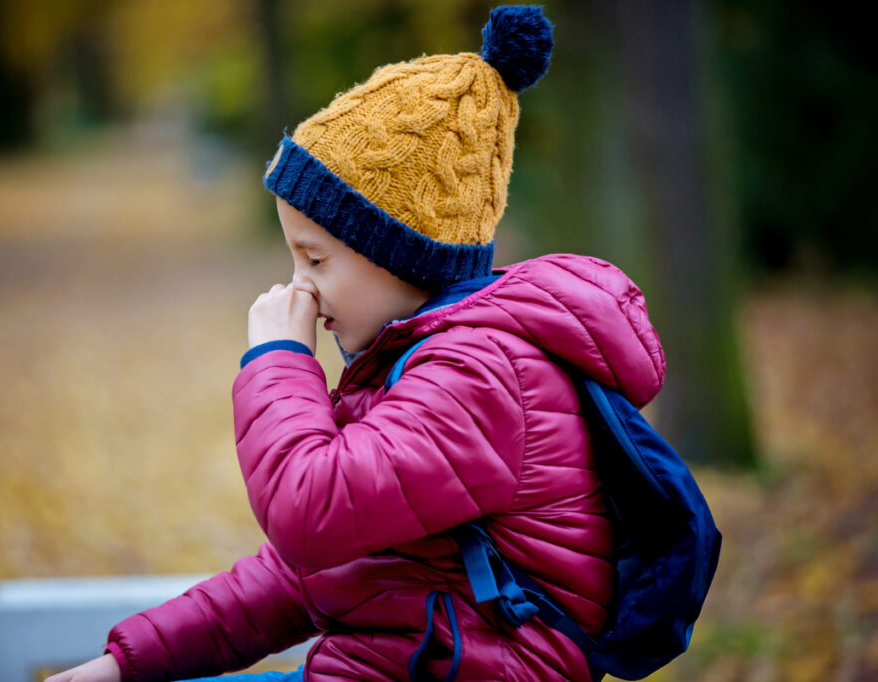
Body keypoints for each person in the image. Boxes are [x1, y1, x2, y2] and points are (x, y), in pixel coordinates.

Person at [47, 5, 666, 682]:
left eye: (315, 261)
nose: (300, 291)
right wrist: (122, 664)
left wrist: (276, 360)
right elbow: (304, 576)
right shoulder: (415, 366)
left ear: (401, 256)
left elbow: (308, 512)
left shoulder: (479, 379)